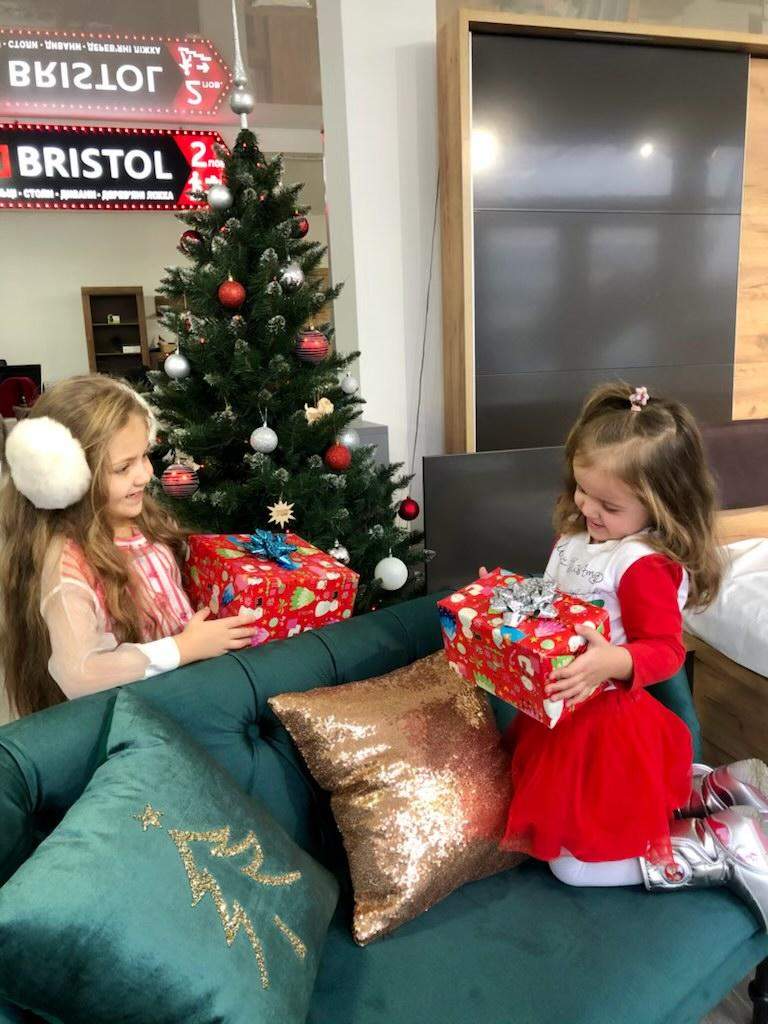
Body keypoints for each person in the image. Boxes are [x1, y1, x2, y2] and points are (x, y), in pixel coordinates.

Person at [498, 382, 768, 926]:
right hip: (563, 720)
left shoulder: (641, 563)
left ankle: (718, 841)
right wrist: (504, 599)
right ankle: (710, 788)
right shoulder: (575, 539)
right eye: (582, 490)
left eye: (609, 505)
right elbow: (555, 605)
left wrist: (613, 662)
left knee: (572, 867)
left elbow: (666, 651)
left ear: (660, 504)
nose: (587, 508)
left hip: (604, 727)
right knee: (570, 832)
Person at [0, 374, 256, 719]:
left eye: (144, 456)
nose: (145, 475)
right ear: (63, 478)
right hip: (141, 718)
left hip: (188, 690)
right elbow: (79, 674)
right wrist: (182, 648)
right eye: (123, 467)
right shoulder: (67, 564)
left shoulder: (139, 517)